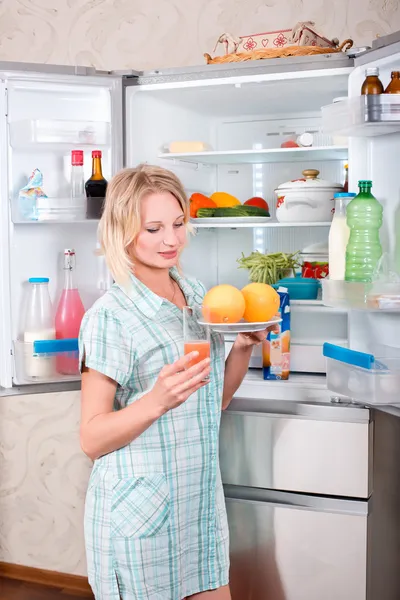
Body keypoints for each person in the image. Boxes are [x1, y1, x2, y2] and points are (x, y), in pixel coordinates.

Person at [79, 164, 275, 600]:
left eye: (179, 223)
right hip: (141, 520)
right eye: (153, 228)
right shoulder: (110, 318)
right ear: (122, 231)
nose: (172, 240)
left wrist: (242, 346)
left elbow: (214, 400)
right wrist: (156, 400)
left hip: (198, 508)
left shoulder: (196, 294)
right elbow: (91, 438)